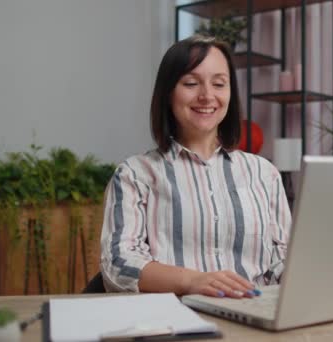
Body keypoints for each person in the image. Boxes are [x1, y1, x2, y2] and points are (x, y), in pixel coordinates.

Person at [100, 35, 291, 299]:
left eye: (219, 84)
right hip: (173, 318)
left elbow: (283, 259)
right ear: (168, 93)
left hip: (255, 315)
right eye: (191, 83)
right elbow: (118, 264)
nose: (207, 95)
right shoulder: (135, 174)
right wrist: (192, 281)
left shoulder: (264, 173)